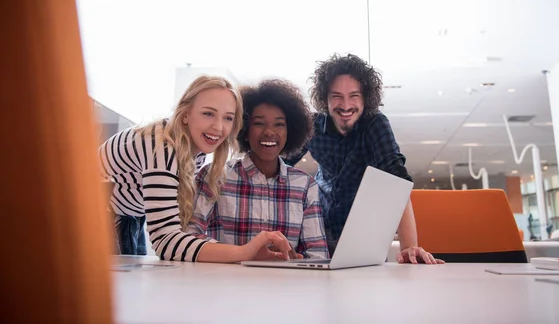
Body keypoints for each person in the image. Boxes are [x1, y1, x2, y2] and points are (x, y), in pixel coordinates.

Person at [99, 75, 294, 262]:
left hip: (128, 217)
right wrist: (245, 251)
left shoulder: (194, 149)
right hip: (92, 211)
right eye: (208, 113)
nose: (218, 127)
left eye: (228, 118)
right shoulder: (162, 146)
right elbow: (166, 242)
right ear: (185, 114)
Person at [286, 54, 444, 264]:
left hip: (362, 237)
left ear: (365, 97)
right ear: (324, 98)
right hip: (318, 234)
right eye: (336, 96)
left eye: (354, 95)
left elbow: (397, 182)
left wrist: (410, 249)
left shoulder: (374, 125)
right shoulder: (313, 126)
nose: (345, 105)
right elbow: (280, 164)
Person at [189, 79, 329, 259]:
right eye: (259, 123)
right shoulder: (215, 176)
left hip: (286, 285)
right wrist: (243, 254)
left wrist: (299, 262)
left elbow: (318, 255)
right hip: (226, 284)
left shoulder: (305, 185)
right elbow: (190, 236)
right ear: (244, 129)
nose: (269, 132)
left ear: (290, 131)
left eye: (279, 124)